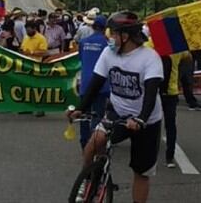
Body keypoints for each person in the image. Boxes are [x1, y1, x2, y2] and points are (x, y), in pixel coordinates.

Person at [69, 11, 163, 203]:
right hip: (117, 112)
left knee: (141, 171)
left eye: (113, 34)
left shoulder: (149, 57)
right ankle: (90, 181)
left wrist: (141, 119)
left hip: (145, 120)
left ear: (125, 36)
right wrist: (81, 108)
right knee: (92, 146)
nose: (109, 38)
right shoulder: (108, 53)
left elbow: (151, 94)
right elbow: (96, 83)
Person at [77, 15, 112, 149]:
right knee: (98, 115)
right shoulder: (107, 43)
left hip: (85, 84)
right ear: (105, 29)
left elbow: (81, 59)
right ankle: (95, 143)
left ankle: (84, 143)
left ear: (92, 26)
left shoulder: (83, 42)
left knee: (84, 115)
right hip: (101, 85)